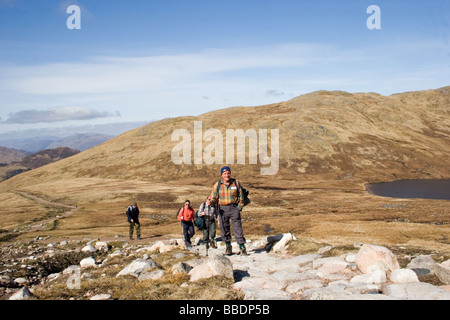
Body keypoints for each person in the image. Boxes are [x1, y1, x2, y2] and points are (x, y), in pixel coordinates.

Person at [209, 166, 248, 256]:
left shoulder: (236, 183)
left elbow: (241, 196)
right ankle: (228, 247)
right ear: (222, 175)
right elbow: (213, 197)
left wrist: (239, 207)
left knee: (237, 228)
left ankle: (242, 247)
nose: (227, 175)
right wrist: (212, 202)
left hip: (234, 208)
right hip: (222, 209)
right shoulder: (217, 185)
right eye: (225, 174)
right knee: (224, 228)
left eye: (228, 173)